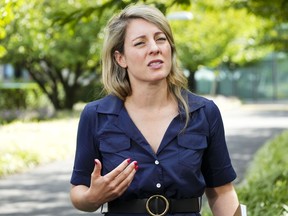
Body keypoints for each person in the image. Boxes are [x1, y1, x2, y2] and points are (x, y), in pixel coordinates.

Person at [70, 3, 240, 216]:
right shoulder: (95, 115)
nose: (154, 48)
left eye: (161, 39)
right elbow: (78, 190)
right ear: (120, 58)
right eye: (140, 43)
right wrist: (91, 198)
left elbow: (222, 192)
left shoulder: (204, 112)